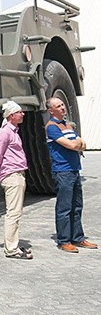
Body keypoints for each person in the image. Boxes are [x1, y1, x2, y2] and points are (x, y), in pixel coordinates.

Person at [46, 97, 97, 253]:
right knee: (65, 207)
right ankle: (64, 241)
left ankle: (78, 237)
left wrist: (77, 144)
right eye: (58, 106)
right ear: (51, 110)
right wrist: (77, 144)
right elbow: (72, 144)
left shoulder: (67, 126)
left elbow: (82, 144)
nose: (62, 108)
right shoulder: (52, 127)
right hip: (63, 171)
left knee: (77, 206)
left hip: (74, 169)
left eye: (62, 105)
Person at [0, 100, 33, 259]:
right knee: (13, 213)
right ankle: (12, 249)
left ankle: (12, 244)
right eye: (20, 112)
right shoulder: (5, 132)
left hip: (16, 174)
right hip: (13, 175)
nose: (23, 114)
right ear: (11, 115)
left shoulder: (12, 132)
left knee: (15, 212)